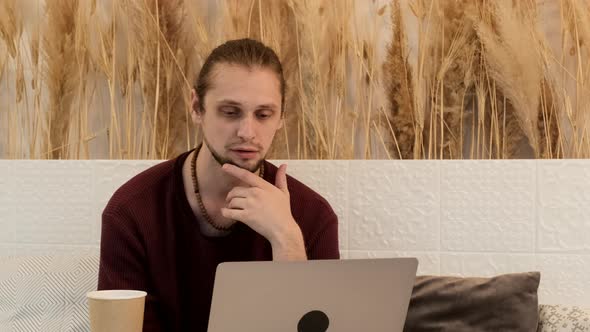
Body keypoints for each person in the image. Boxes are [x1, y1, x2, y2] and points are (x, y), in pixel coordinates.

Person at [97, 38, 340, 331]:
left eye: (263, 115)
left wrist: (287, 239)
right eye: (230, 112)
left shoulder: (312, 216)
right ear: (197, 107)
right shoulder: (132, 211)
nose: (247, 132)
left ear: (280, 118)